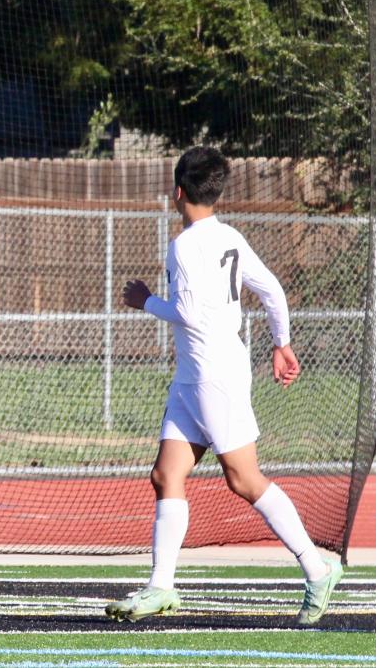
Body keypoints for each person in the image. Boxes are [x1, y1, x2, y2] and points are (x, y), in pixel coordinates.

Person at [105, 145, 343, 626]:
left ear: (177, 192)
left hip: (215, 376)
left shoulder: (186, 245)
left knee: (243, 479)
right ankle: (161, 587)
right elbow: (271, 289)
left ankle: (317, 569)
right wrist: (282, 342)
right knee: (166, 475)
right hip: (192, 379)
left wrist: (147, 301)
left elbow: (190, 315)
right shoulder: (229, 235)